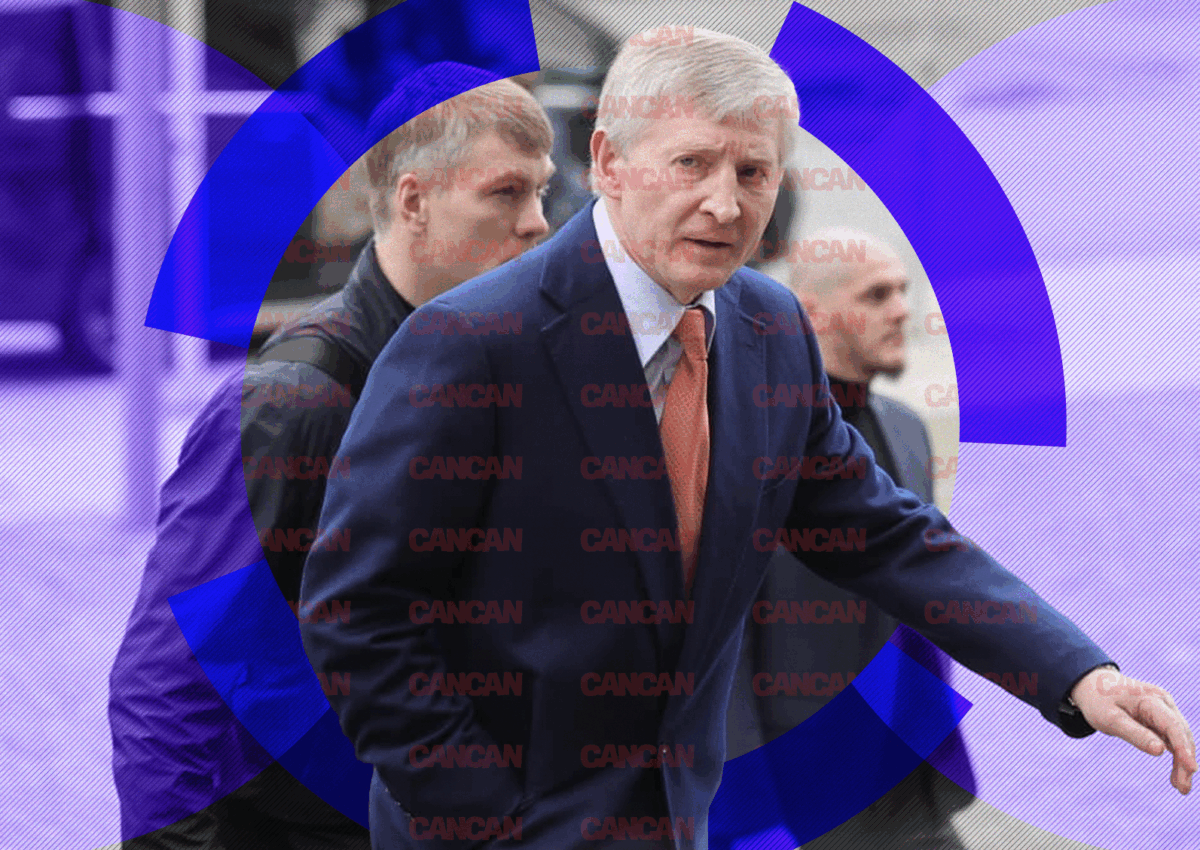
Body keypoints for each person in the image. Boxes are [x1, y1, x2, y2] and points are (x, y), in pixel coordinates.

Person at [298, 28, 1196, 850]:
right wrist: (485, 820)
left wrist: (1076, 674)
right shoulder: (468, 343)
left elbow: (883, 532)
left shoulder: (770, 328)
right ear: (608, 162)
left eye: (754, 172)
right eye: (691, 163)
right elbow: (360, 614)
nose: (725, 204)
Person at [107, 63, 555, 848]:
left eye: (542, 192)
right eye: (506, 193)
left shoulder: (509, 371)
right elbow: (167, 690)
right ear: (413, 201)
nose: (539, 224)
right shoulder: (294, 404)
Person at [725, 227, 977, 848]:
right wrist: (751, 820)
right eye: (876, 295)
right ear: (811, 313)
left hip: (909, 780)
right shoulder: (750, 447)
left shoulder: (908, 428)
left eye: (903, 291)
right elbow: (722, 648)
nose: (902, 310)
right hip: (806, 795)